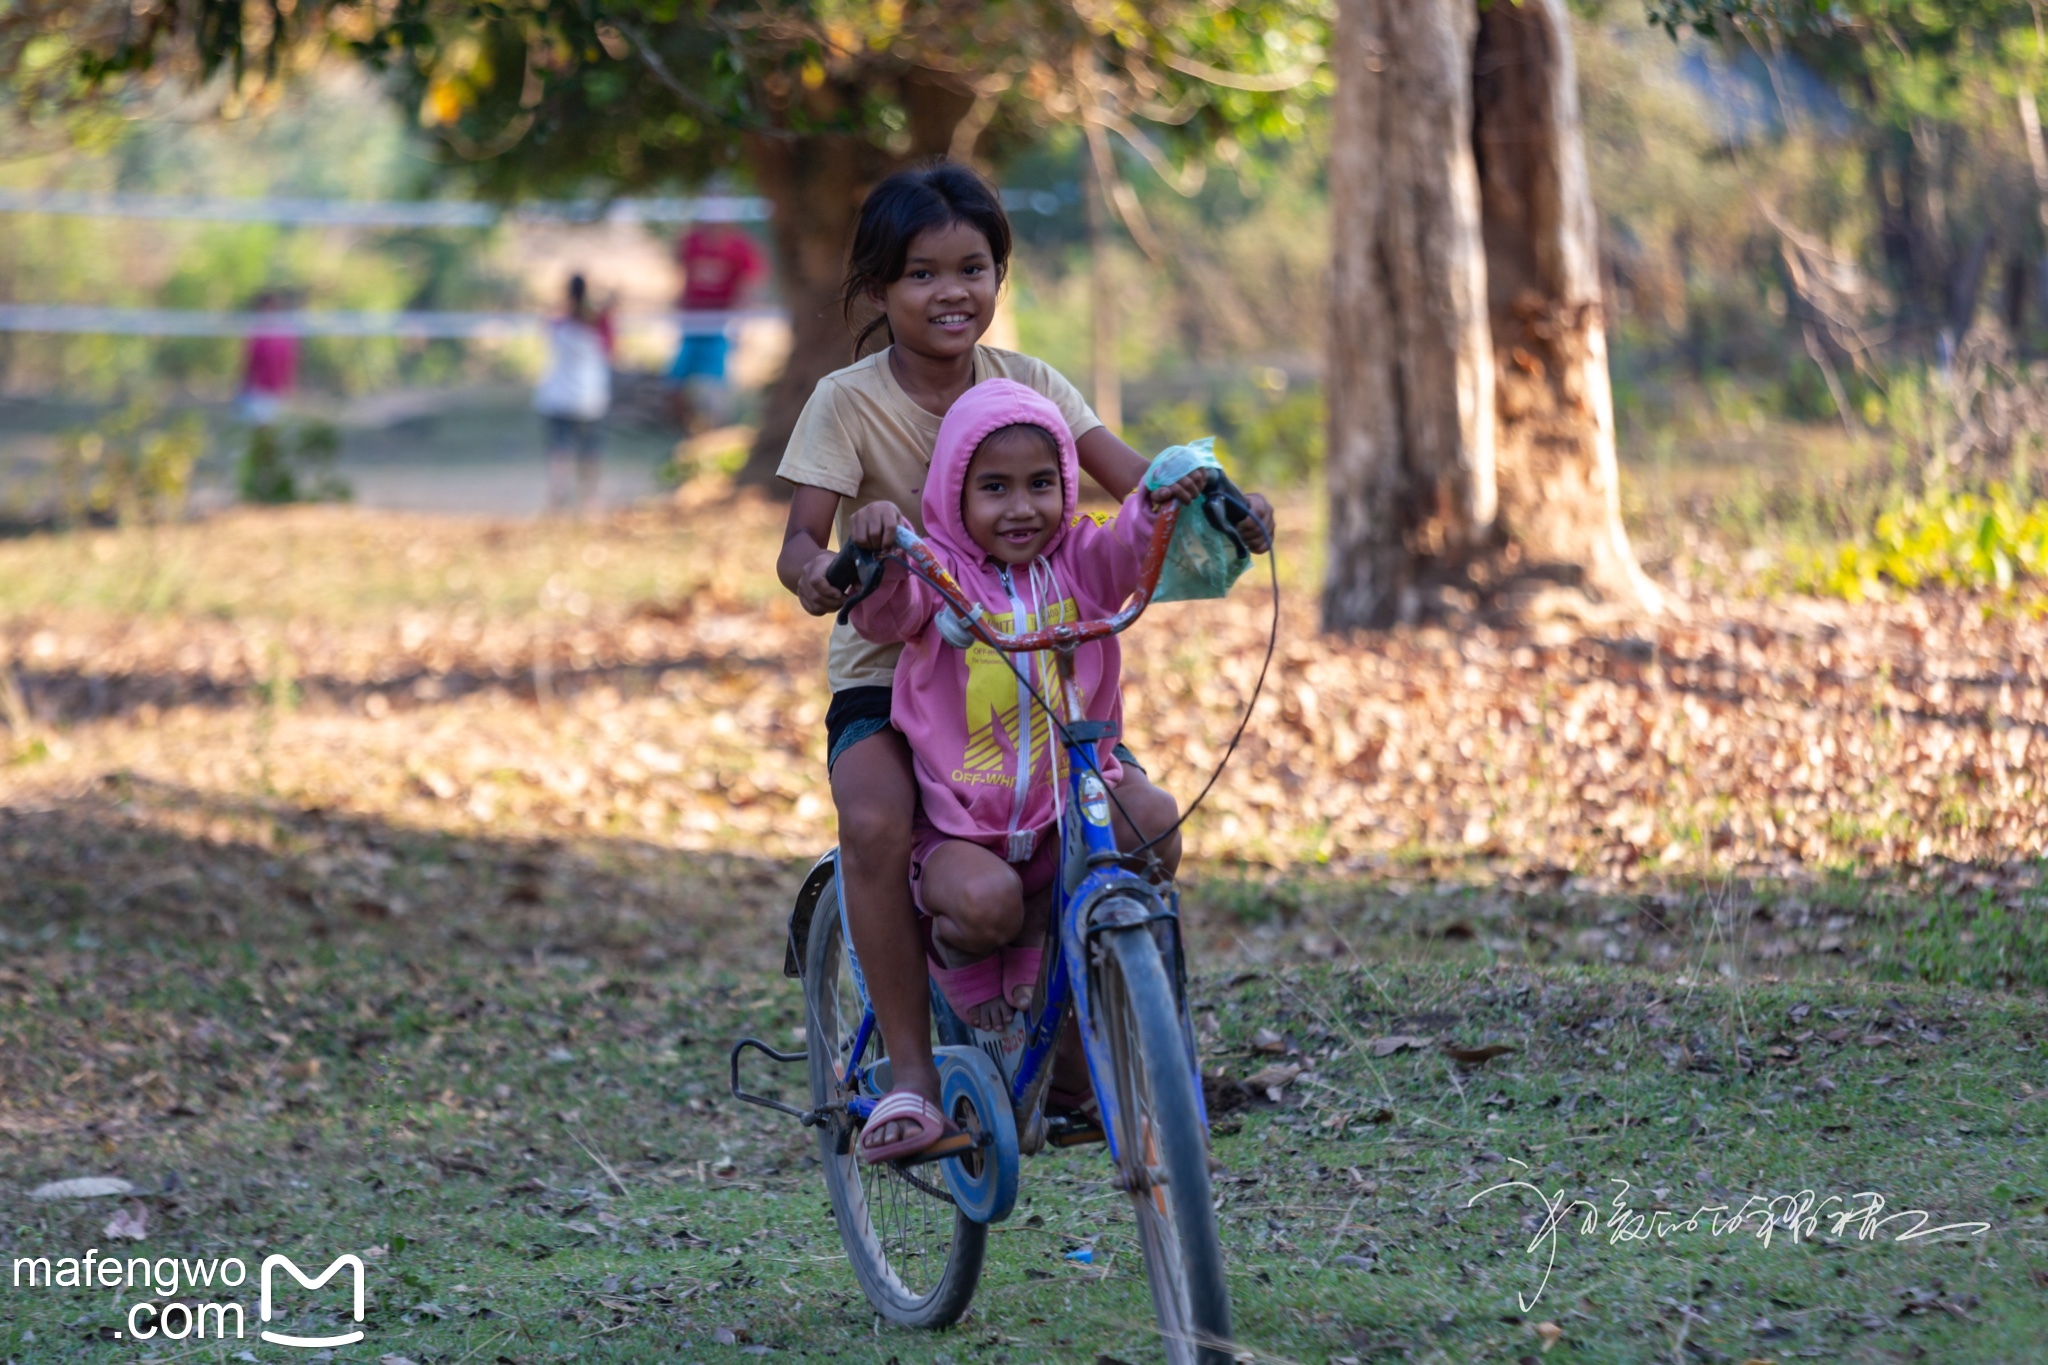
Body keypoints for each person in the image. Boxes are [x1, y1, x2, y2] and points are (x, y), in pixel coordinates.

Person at [773, 160, 1273, 1164]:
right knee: (873, 822)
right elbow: (798, 546)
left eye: (972, 268)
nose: (949, 292)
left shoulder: (1031, 384)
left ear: (998, 276)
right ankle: (911, 1081)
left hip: (1032, 664)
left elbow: (1140, 487)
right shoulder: (845, 401)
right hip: (892, 656)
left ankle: (1089, 1049)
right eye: (919, 274)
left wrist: (1214, 499)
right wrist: (833, 574)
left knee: (1132, 830)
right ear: (876, 289)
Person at [845, 379, 1201, 1056]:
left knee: (1154, 820)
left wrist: (1158, 499)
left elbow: (1127, 546)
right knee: (985, 905)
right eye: (994, 488)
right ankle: (954, 950)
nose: (1021, 508)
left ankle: (1098, 966)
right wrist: (883, 551)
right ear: (956, 492)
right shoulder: (938, 568)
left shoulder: (1079, 560)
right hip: (962, 827)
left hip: (1070, 803)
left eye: (1041, 484)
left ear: (1065, 485)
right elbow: (884, 614)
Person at [669, 221, 766, 431]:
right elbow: (682, 274)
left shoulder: (740, 247)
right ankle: (688, 429)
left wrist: (739, 323)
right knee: (675, 381)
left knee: (714, 386)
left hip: (720, 326)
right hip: (692, 324)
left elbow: (748, 287)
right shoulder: (692, 241)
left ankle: (715, 430)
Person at [534, 273, 614, 513]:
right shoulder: (600, 325)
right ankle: (591, 502)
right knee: (591, 451)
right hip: (589, 399)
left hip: (557, 397)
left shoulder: (558, 323)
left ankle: (557, 499)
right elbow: (612, 350)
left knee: (560, 451)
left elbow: (545, 328)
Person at [237, 291, 298, 427]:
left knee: (274, 428)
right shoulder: (256, 331)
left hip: (277, 390)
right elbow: (249, 361)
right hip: (258, 389)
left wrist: (289, 385)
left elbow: (290, 361)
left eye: (271, 308)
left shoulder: (285, 333)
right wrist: (244, 386)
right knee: (258, 428)